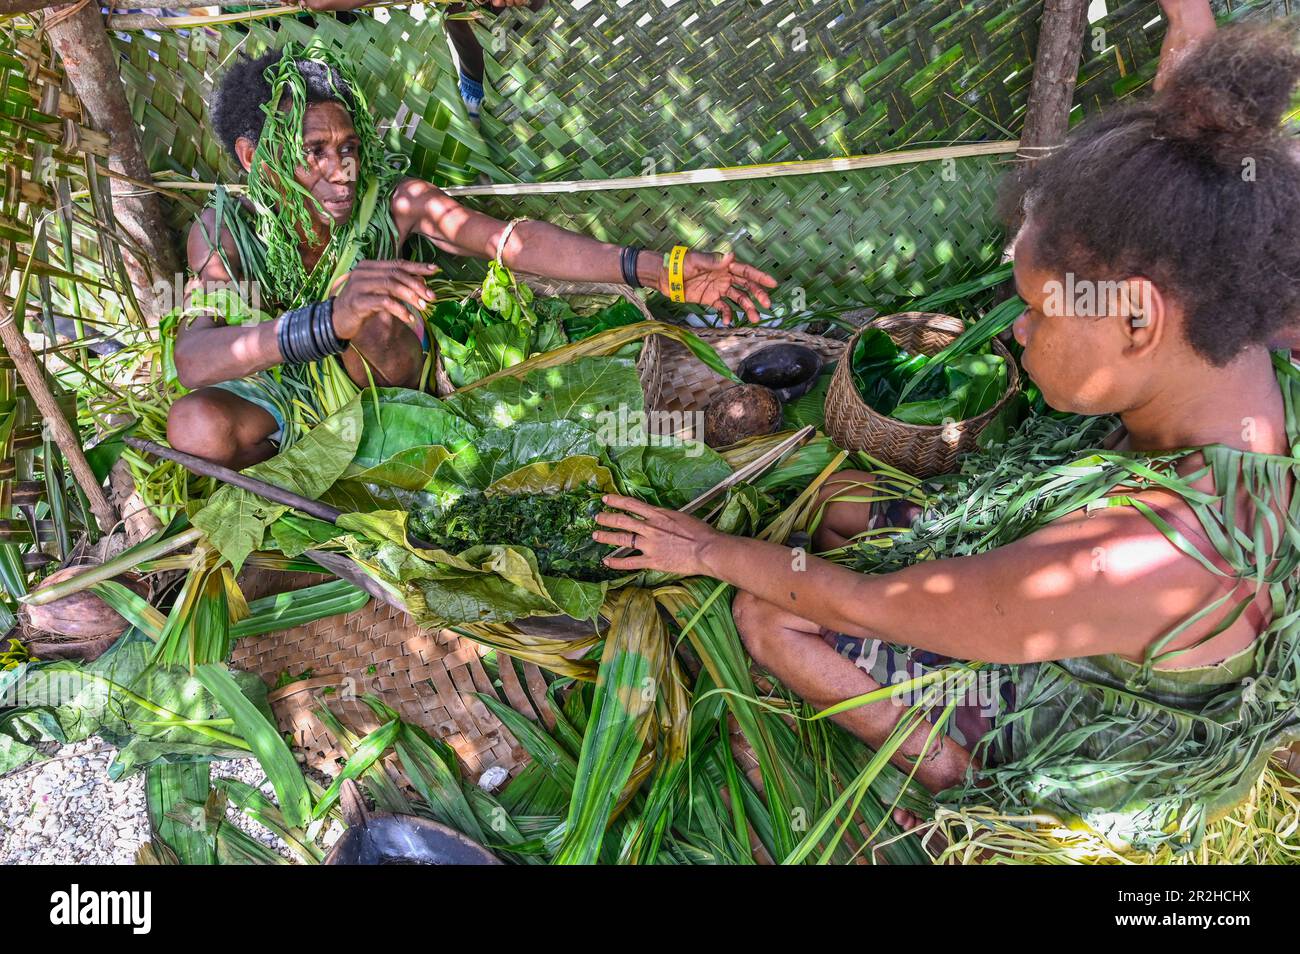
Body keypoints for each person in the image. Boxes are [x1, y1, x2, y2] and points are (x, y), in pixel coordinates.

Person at [592, 24, 1300, 848]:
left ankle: (963, 787)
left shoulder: (1130, 558)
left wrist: (704, 551)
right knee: (853, 494)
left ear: (1137, 317)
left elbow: (862, 604)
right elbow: (1210, 186)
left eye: (1038, 308)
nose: (1023, 331)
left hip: (1091, 747)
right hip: (1134, 659)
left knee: (767, 615)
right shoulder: (1241, 340)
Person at [167, 44, 776, 469]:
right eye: (316, 152)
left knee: (376, 304)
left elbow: (508, 240)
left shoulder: (395, 204)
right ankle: (311, 460)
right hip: (285, 393)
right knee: (191, 428)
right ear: (254, 157)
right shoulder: (226, 232)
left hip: (380, 380)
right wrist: (326, 322)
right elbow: (194, 358)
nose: (343, 170)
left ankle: (393, 439)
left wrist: (659, 268)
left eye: (349, 148)